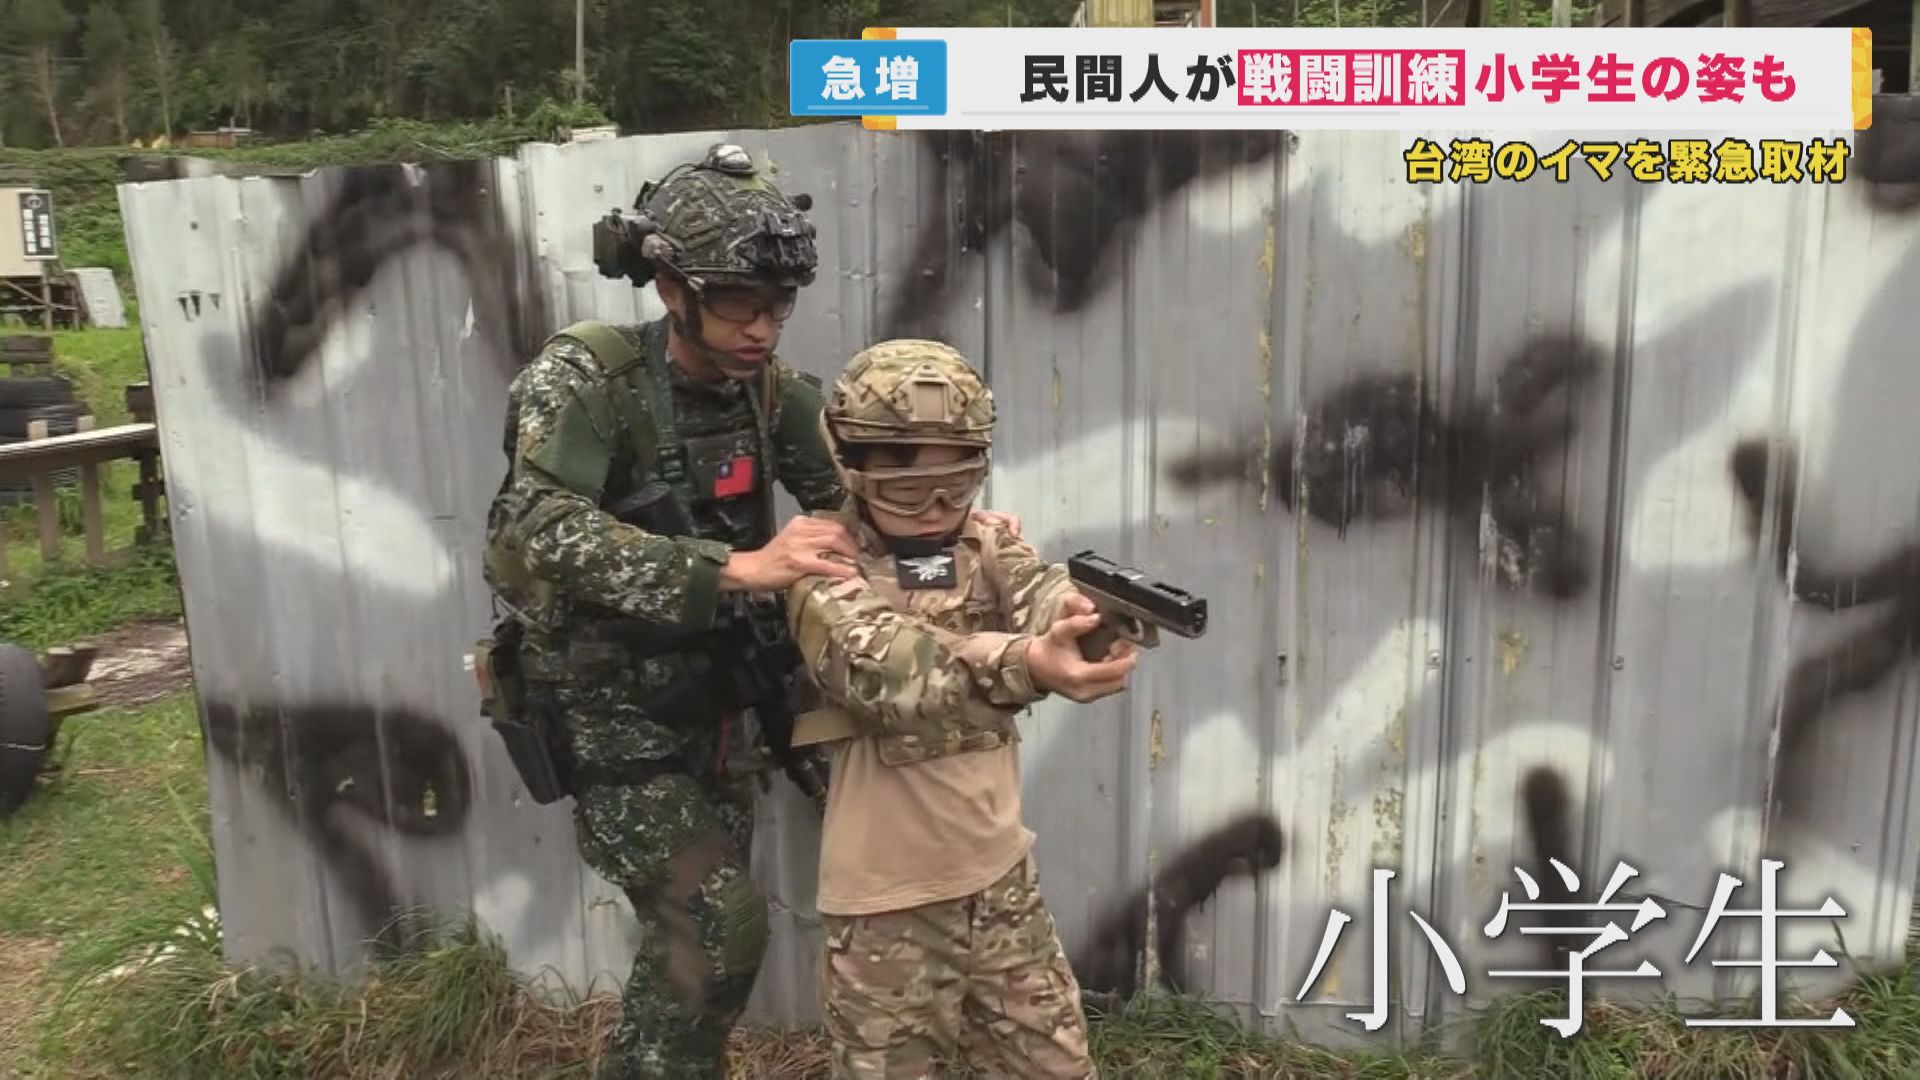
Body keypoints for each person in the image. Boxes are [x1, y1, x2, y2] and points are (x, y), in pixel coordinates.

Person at [480, 146, 1019, 1080]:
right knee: (718, 924)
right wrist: (739, 566)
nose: (762, 329)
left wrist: (961, 535)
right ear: (670, 287)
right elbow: (537, 527)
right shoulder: (588, 381)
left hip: (720, 704)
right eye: (739, 304)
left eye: (778, 306)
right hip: (610, 719)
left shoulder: (767, 392)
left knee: (716, 939)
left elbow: (868, 507)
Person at [784, 338, 1140, 1080]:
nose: (936, 510)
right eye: (909, 491)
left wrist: (1082, 616)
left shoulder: (982, 541)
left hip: (1002, 884)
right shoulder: (819, 564)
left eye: (957, 484)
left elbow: (1040, 588)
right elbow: (891, 671)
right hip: (886, 912)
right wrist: (1027, 662)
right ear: (853, 467)